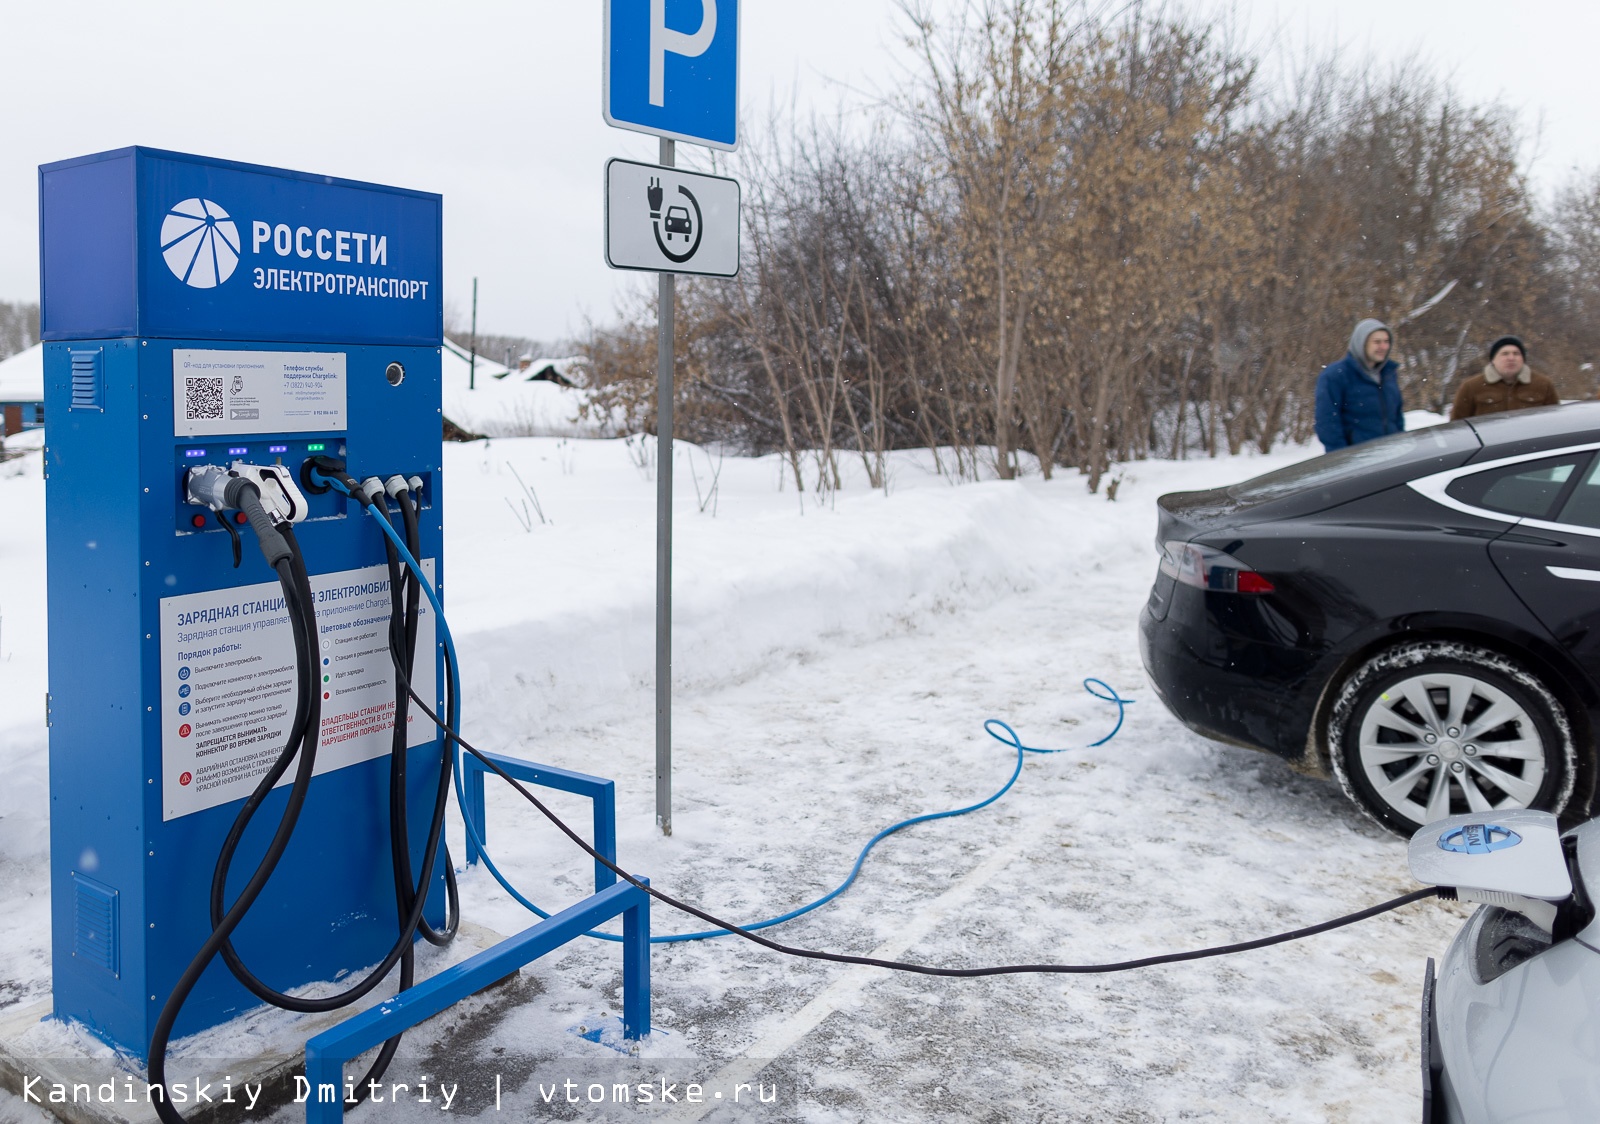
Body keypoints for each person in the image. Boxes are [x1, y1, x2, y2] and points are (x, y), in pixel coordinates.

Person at [1314, 318, 1405, 452]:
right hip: (1357, 458)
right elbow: (1326, 422)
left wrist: (1401, 443)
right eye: (1377, 342)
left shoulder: (1388, 374)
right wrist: (1341, 456)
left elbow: (1396, 416)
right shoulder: (1336, 376)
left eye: (1386, 342)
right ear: (1361, 344)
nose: (1383, 347)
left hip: (1391, 454)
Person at [1449, 335, 1559, 420]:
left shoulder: (1543, 384)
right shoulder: (1471, 387)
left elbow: (1555, 420)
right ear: (1493, 360)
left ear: (1523, 359)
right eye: (1505, 354)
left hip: (1532, 446)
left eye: (1516, 354)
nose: (1511, 358)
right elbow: (1458, 425)